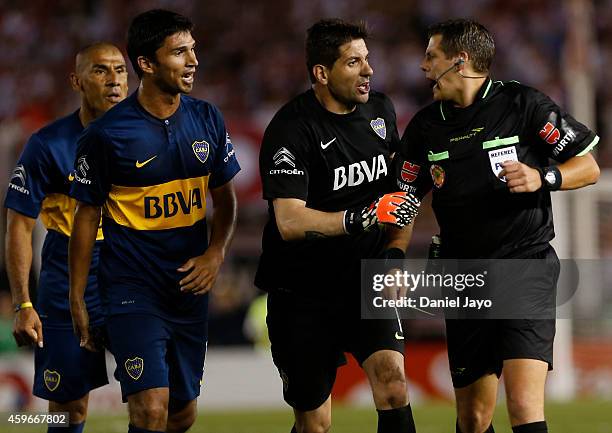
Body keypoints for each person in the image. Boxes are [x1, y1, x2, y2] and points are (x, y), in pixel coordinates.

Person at [391, 19, 600, 433]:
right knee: (472, 418)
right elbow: (404, 201)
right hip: (460, 275)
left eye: (431, 56)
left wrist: (545, 177)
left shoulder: (523, 105)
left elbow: (588, 166)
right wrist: (394, 256)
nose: (422, 66)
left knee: (523, 408)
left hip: (524, 267)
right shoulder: (424, 127)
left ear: (460, 60)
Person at [68, 9, 240, 433]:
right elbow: (86, 215)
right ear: (146, 64)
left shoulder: (207, 118)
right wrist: (76, 297)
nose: (193, 61)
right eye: (180, 52)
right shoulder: (106, 135)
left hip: (188, 290)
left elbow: (226, 199)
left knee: (182, 413)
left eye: (193, 50)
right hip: (132, 289)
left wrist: (215, 254)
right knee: (150, 408)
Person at [255, 19, 420, 433]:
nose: (368, 70)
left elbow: (402, 196)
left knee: (394, 385)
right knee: (316, 423)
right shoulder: (291, 130)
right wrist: (361, 218)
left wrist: (395, 256)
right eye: (353, 62)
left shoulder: (381, 111)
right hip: (303, 293)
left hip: (367, 280)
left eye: (367, 60)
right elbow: (289, 221)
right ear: (322, 73)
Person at [4, 42, 128, 433]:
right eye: (100, 70)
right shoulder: (47, 144)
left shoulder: (150, 136)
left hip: (133, 266)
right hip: (66, 270)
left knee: (160, 398)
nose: (114, 80)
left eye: (121, 70)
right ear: (76, 80)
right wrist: (23, 301)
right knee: (67, 406)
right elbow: (19, 225)